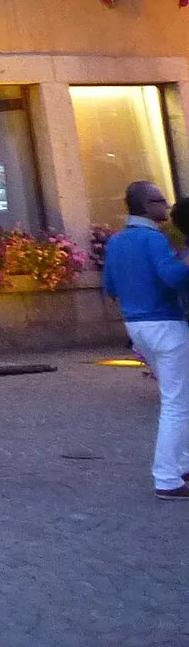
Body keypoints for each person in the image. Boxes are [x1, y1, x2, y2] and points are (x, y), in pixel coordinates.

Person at [100, 180, 189, 498]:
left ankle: (181, 464)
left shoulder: (116, 241)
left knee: (178, 397)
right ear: (147, 205)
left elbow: (109, 286)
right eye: (161, 200)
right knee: (177, 403)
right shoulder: (154, 239)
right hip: (165, 323)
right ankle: (168, 477)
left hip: (136, 325)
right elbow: (172, 277)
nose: (166, 206)